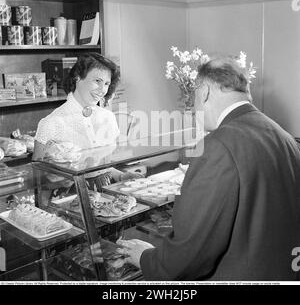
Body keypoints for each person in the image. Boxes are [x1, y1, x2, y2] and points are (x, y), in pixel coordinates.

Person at [117, 54, 300, 280]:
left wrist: (146, 257)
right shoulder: (282, 135)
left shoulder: (217, 146)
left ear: (203, 92)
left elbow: (192, 252)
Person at [33, 52, 141, 182]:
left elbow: (102, 168)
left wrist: (121, 176)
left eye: (106, 83)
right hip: (68, 198)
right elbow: (38, 179)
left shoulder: (108, 117)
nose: (102, 90)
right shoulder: (51, 123)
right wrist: (63, 180)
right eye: (97, 81)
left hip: (105, 196)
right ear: (77, 78)